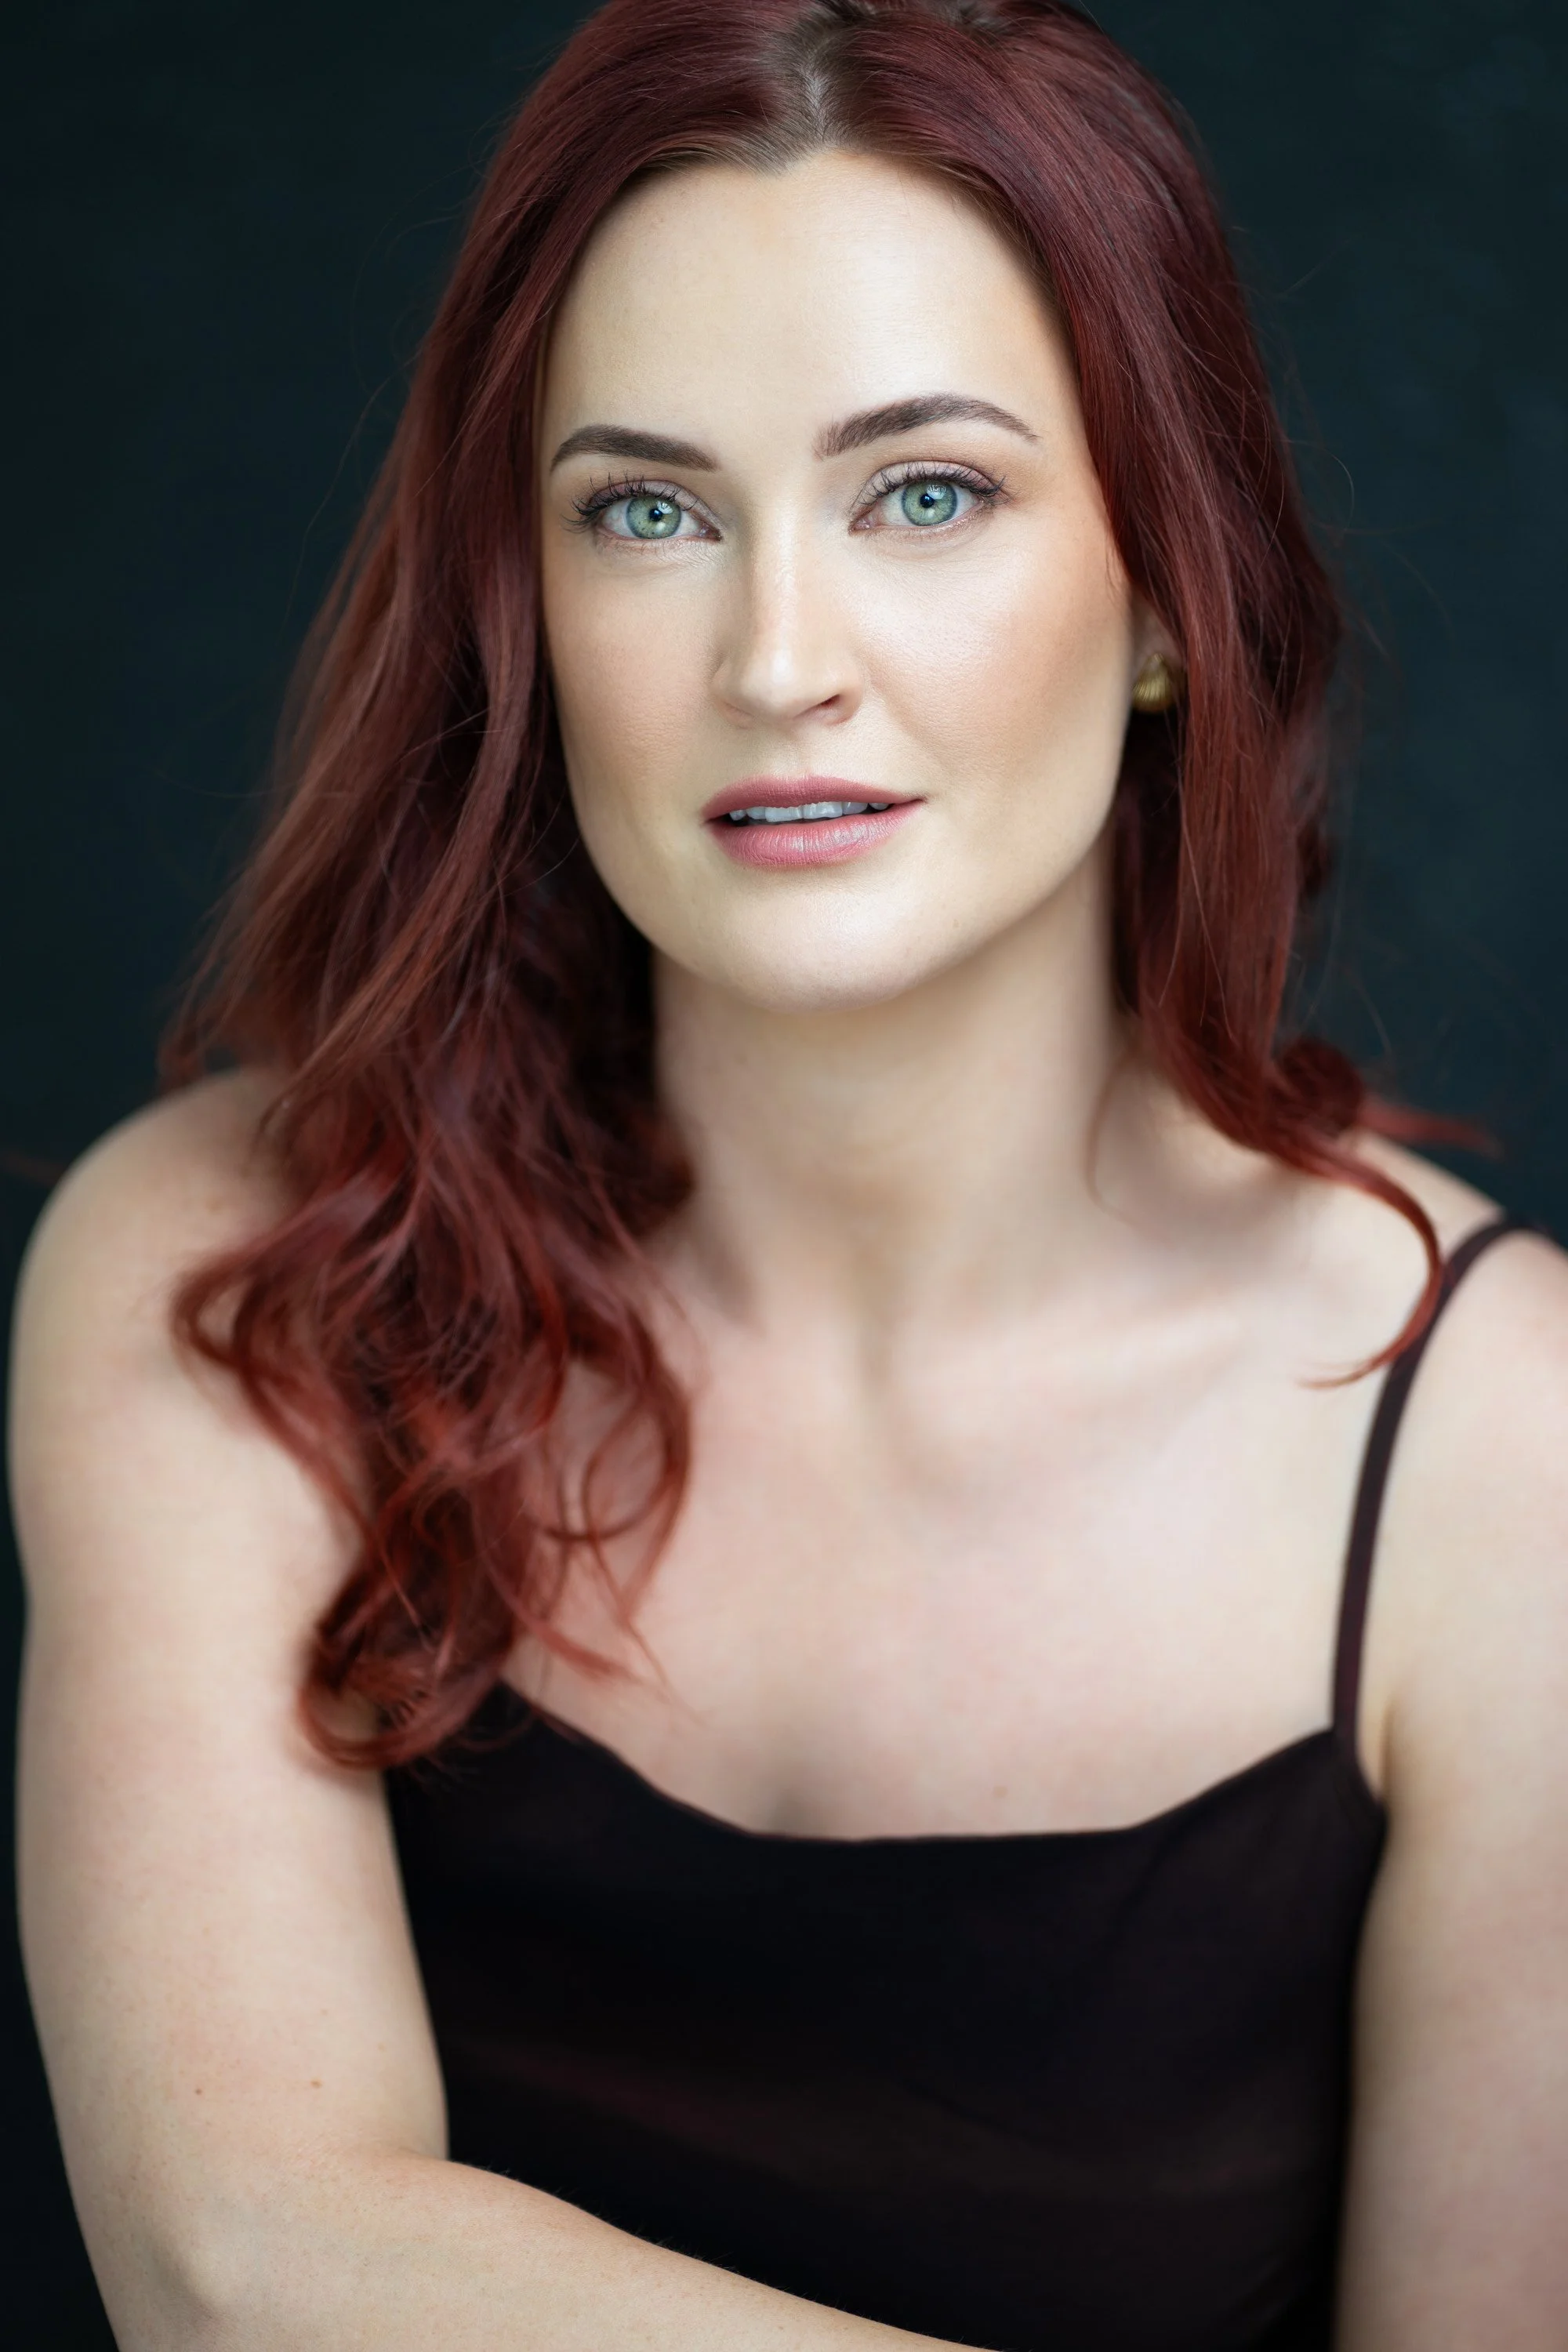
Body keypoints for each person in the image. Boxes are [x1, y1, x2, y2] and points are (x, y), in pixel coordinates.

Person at [10, 1, 1568, 2346]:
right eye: (647, 511)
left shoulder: (1505, 1458)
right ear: (523, 612)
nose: (775, 658)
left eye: (924, 493)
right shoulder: (232, 1269)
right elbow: (237, 2268)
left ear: (1169, 593)